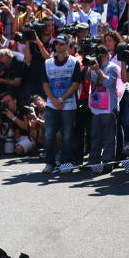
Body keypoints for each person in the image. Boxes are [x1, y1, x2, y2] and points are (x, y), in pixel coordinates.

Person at [40, 36, 83, 173]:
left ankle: (66, 162)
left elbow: (76, 84)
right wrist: (53, 99)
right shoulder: (48, 63)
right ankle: (50, 163)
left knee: (68, 134)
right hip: (52, 104)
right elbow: (45, 84)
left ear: (67, 46)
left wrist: (62, 99)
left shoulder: (74, 62)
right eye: (57, 44)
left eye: (62, 44)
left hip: (68, 104)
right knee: (49, 134)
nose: (58, 46)